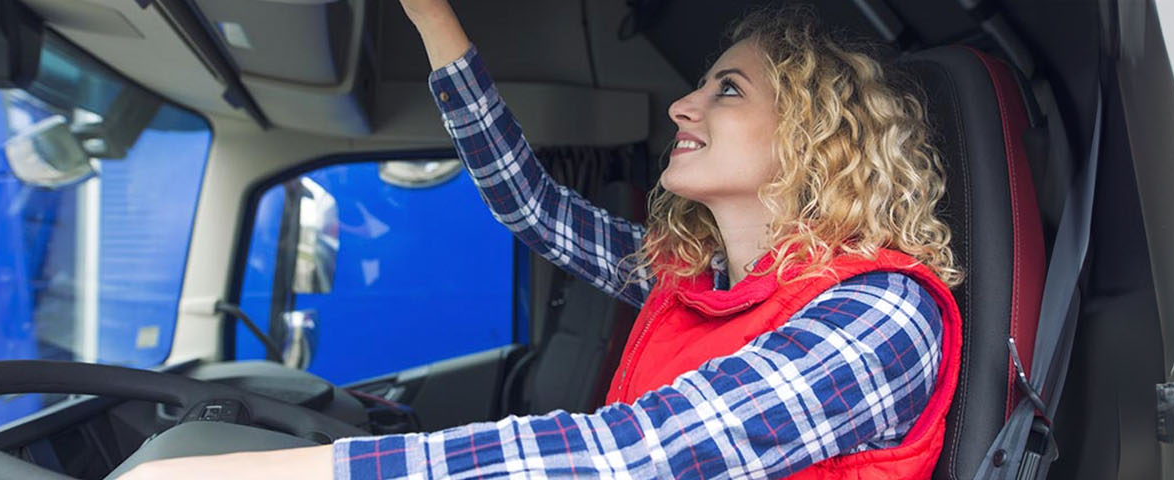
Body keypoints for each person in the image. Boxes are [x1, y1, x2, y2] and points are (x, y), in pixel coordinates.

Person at [120, 1, 964, 478]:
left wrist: (278, 474)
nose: (683, 106)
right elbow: (534, 209)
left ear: (813, 136)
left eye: (728, 90)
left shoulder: (881, 316)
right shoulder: (698, 279)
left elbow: (628, 459)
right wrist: (434, 23)